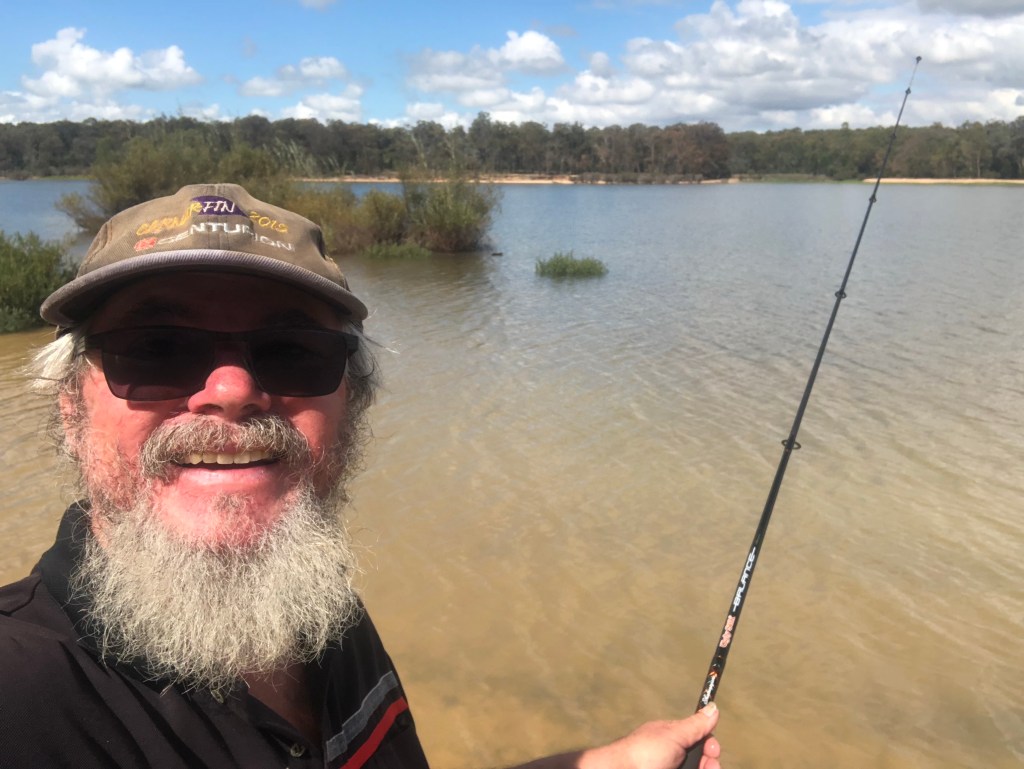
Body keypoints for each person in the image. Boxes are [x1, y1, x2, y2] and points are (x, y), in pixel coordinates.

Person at [0, 183, 722, 768]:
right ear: (70, 407)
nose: (231, 390)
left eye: (291, 350)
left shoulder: (317, 607)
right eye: (156, 348)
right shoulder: (22, 697)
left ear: (354, 406)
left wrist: (604, 763)